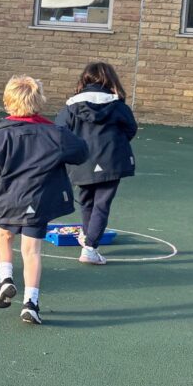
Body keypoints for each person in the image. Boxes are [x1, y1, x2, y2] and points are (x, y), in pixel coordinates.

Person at [0, 75, 87, 325]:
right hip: (39, 199)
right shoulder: (55, 133)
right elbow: (81, 152)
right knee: (32, 251)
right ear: (39, 102)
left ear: (7, 102)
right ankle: (31, 303)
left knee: (4, 236)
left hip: (7, 198)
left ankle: (5, 279)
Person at [55, 62, 137, 265]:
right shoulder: (117, 105)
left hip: (81, 161)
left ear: (85, 80)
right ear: (110, 80)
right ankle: (90, 247)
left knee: (87, 202)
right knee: (101, 205)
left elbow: (59, 132)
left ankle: (88, 239)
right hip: (111, 161)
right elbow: (131, 129)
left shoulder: (72, 106)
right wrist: (116, 144)